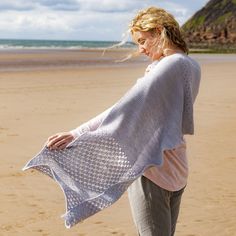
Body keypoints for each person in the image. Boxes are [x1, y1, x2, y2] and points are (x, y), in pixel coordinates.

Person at [46, 6, 201, 236]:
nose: (141, 49)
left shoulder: (169, 66)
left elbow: (124, 108)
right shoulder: (191, 65)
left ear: (158, 31)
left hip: (153, 171)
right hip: (178, 168)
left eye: (142, 40)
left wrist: (77, 133)